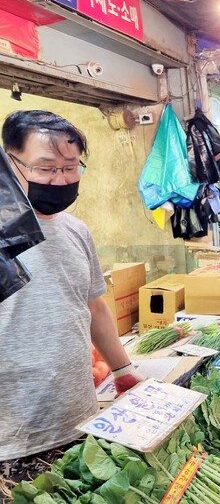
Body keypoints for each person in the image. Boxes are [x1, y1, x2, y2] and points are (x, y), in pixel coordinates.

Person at [0, 111, 142, 489]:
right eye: (46, 168)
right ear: (10, 163)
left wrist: (123, 371)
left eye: (71, 167)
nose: (61, 180)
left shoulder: (76, 230)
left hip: (80, 421)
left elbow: (94, 307)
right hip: (12, 439)